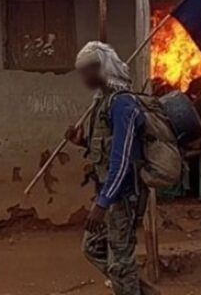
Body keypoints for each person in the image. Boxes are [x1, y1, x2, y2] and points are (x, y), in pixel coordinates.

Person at [65, 41, 149, 295]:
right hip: (108, 194)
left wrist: (102, 203)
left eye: (87, 70)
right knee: (92, 248)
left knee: (120, 264)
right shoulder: (102, 103)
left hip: (124, 197)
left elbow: (122, 159)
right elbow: (104, 151)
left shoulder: (123, 104)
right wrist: (81, 141)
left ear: (101, 68)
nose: (83, 77)